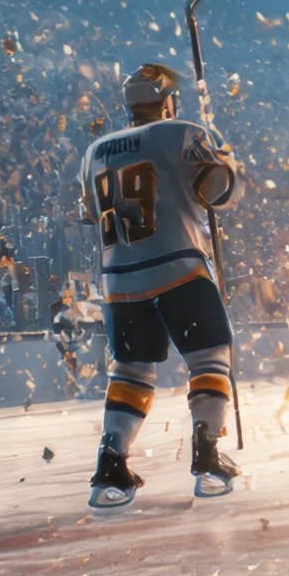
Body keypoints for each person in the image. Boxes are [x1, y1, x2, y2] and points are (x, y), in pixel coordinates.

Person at [78, 59, 240, 511]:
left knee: (130, 371)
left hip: (119, 278)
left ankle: (111, 465)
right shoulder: (182, 131)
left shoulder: (95, 150)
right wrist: (219, 149)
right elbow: (220, 191)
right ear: (167, 98)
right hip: (178, 266)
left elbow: (89, 213)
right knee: (210, 356)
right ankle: (207, 457)